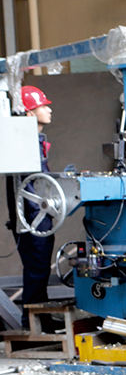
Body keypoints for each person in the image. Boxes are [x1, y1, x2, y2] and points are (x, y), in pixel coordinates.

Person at [12, 85, 57, 330]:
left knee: (39, 270)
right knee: (37, 270)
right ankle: (31, 323)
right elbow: (30, 187)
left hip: (37, 216)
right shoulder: (24, 144)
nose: (49, 110)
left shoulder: (35, 142)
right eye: (42, 106)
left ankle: (41, 318)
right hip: (32, 218)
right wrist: (40, 216)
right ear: (29, 113)